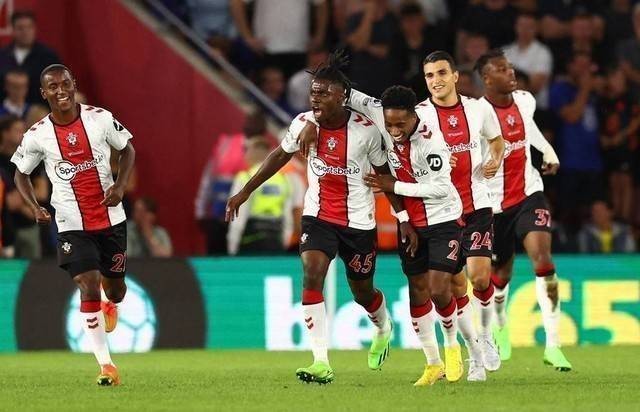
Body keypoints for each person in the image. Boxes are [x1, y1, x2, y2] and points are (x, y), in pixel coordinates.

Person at [226, 52, 416, 384]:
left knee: (363, 293)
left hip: (358, 221)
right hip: (318, 215)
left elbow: (385, 178)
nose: (316, 98)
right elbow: (278, 156)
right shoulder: (302, 124)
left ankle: (383, 325)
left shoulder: (366, 132)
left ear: (343, 96)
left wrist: (402, 216)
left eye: (324, 93)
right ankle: (320, 361)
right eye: (313, 92)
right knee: (312, 272)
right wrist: (245, 191)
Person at [300, 83, 467, 384]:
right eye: (388, 124)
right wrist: (312, 121)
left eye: (400, 124)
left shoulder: (433, 142)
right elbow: (338, 93)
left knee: (439, 289)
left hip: (443, 221)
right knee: (417, 290)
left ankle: (453, 345)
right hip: (411, 223)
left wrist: (393, 186)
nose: (393, 130)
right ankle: (433, 363)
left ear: (414, 116)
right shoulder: (381, 113)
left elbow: (442, 189)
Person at [11, 64, 135, 385]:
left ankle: (111, 304)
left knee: (115, 290)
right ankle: (107, 366)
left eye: (65, 83)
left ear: (73, 84)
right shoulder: (37, 135)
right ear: (44, 93)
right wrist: (34, 204)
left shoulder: (100, 118)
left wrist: (120, 187)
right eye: (53, 86)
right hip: (70, 223)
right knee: (87, 282)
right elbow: (20, 173)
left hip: (110, 220)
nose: (61, 90)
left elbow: (128, 149)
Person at [474, 49, 572, 371]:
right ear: (487, 78)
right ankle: (500, 321)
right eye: (502, 69)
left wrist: (548, 151)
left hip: (529, 194)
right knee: (500, 276)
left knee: (543, 260)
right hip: (493, 204)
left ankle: (554, 345)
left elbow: (528, 128)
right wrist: (482, 169)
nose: (511, 72)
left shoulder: (525, 100)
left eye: (510, 66)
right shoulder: (476, 115)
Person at [414, 50, 505, 378]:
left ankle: (484, 336)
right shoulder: (419, 116)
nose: (435, 81)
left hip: (477, 203)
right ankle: (474, 353)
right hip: (441, 214)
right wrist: (430, 165)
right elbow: (407, 159)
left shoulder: (479, 109)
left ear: (455, 76)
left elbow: (497, 141)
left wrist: (495, 160)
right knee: (453, 287)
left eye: (441, 73)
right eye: (429, 76)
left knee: (480, 277)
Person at [194, 110, 267, 254]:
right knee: (216, 260)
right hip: (218, 217)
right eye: (250, 120)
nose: (252, 124)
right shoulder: (226, 145)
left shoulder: (267, 153)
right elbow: (208, 179)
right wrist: (200, 210)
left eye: (257, 122)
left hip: (247, 221)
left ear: (264, 128)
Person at [226, 137, 293, 255]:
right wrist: (284, 243)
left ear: (252, 153)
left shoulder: (245, 177)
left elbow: (238, 217)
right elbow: (288, 218)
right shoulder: (284, 179)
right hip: (275, 240)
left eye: (246, 151)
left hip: (251, 241)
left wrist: (233, 247)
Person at [0, 115, 48, 258]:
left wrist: (18, 200)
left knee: (32, 274)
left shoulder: (32, 158)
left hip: (28, 225)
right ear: (5, 133)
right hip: (4, 227)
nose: (23, 134)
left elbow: (42, 193)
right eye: (17, 130)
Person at [0, 11, 61, 104]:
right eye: (20, 28)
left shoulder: (48, 56)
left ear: (35, 29)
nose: (25, 32)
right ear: (13, 30)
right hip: (5, 114)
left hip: (40, 111)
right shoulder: (2, 55)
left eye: (29, 27)